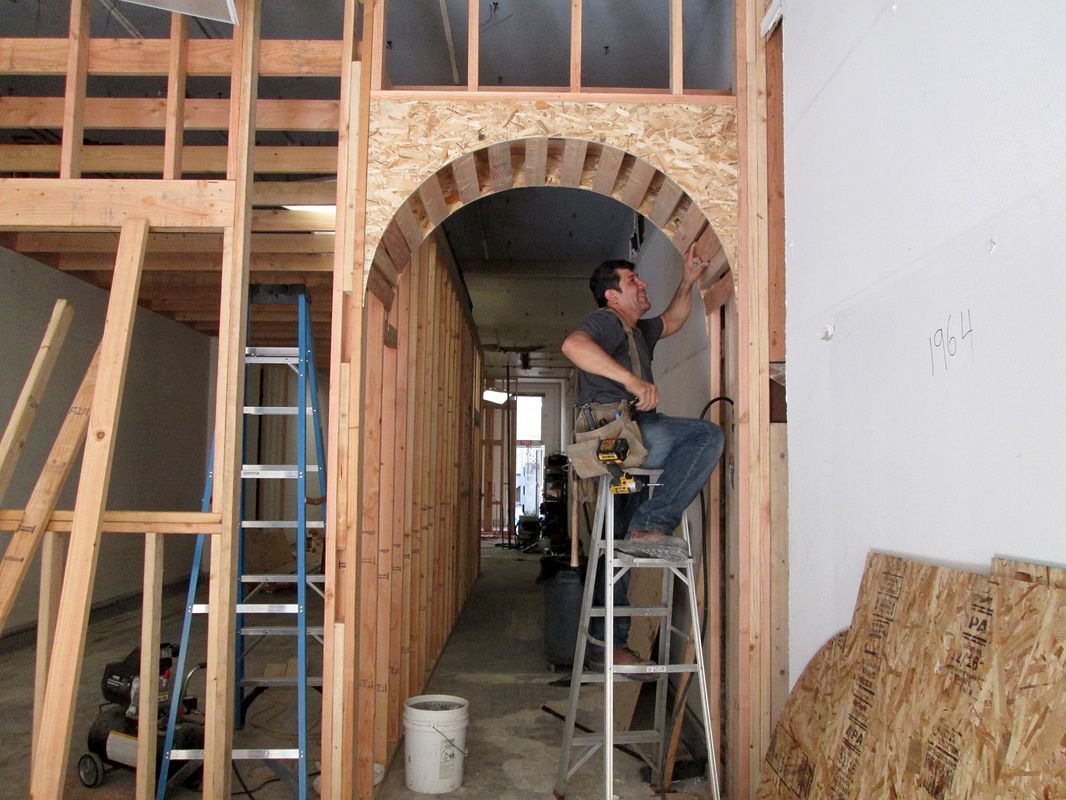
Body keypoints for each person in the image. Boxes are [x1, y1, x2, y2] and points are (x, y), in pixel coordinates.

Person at [561, 245, 725, 668]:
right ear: (612, 295)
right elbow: (573, 346)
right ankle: (651, 526)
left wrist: (688, 279)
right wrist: (632, 381)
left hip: (628, 444)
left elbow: (672, 319)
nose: (643, 282)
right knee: (705, 437)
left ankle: (604, 644)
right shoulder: (606, 321)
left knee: (615, 546)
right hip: (619, 437)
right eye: (633, 281)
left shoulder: (637, 331)